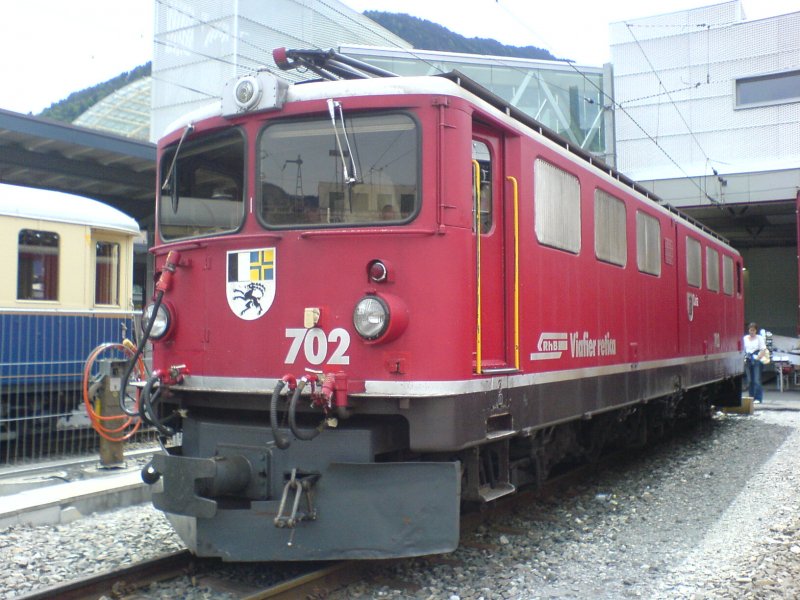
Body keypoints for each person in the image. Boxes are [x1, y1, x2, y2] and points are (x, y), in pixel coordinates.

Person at [743, 322, 767, 403]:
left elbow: (763, 349)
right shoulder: (745, 338)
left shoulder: (759, 338)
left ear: (756, 330)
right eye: (750, 330)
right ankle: (751, 397)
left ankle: (758, 398)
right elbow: (743, 349)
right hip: (748, 358)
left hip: (757, 358)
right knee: (750, 380)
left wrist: (758, 357)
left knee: (757, 379)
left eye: (753, 330)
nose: (751, 332)